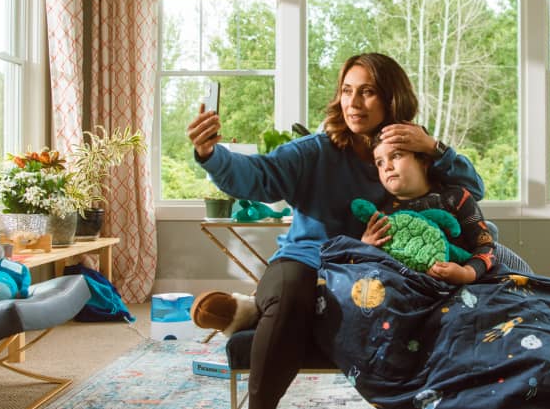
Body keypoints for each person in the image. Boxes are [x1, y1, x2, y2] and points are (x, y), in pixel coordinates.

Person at [185, 52, 484, 409]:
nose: (353, 103)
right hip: (306, 262)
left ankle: (253, 311)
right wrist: (210, 154)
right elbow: (257, 176)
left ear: (392, 100)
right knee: (292, 291)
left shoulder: (411, 153)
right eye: (346, 90)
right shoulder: (314, 151)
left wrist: (433, 148)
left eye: (367, 92)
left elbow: (470, 192)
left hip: (379, 272)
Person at [360, 134, 497, 285]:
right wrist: (365, 246)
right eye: (379, 163)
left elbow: (486, 246)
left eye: (396, 155)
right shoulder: (383, 214)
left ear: (424, 161)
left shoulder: (457, 197)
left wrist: (467, 273)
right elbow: (374, 265)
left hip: (460, 285)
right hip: (408, 288)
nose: (387, 167)